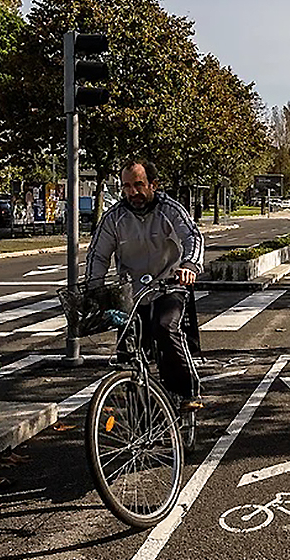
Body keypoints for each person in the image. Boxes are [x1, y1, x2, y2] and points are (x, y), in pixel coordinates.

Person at [85, 159, 204, 409]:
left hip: (169, 284)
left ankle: (186, 391)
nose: (133, 192)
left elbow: (192, 236)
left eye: (139, 185)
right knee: (127, 348)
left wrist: (190, 266)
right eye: (126, 186)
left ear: (153, 184)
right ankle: (136, 408)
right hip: (132, 291)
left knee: (164, 327)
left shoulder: (170, 210)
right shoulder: (114, 218)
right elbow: (98, 255)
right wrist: (93, 288)